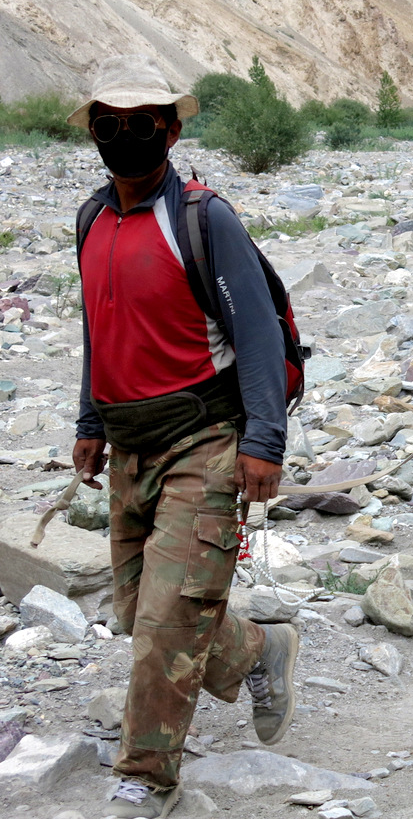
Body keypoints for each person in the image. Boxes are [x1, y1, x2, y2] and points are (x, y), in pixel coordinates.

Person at [69, 55, 299, 819]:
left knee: (166, 623)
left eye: (140, 124)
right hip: (129, 447)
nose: (124, 136)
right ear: (94, 133)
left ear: (169, 128)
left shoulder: (204, 218)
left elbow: (258, 335)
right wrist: (89, 422)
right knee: (145, 614)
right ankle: (261, 651)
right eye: (110, 125)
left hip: (205, 439)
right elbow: (98, 329)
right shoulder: (92, 219)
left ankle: (147, 779)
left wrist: (265, 440)